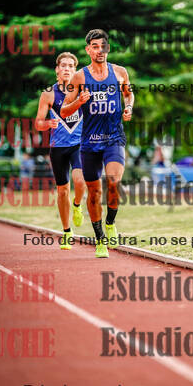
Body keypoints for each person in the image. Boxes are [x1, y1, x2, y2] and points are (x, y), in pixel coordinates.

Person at [61, 29, 134, 258]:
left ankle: (110, 222)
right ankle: (100, 239)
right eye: (95, 46)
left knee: (114, 182)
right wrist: (79, 102)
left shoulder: (120, 72)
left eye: (103, 46)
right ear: (88, 50)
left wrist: (128, 107)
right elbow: (64, 110)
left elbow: (128, 94)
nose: (100, 50)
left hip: (114, 138)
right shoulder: (79, 77)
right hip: (90, 142)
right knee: (94, 192)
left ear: (107, 48)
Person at [36, 52, 85, 249]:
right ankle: (66, 231)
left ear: (75, 70)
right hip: (58, 148)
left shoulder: (82, 91)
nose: (67, 69)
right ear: (57, 69)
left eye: (71, 66)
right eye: (63, 65)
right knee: (62, 190)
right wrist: (48, 123)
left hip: (79, 144)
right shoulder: (48, 94)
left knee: (80, 180)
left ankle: (77, 204)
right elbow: (38, 123)